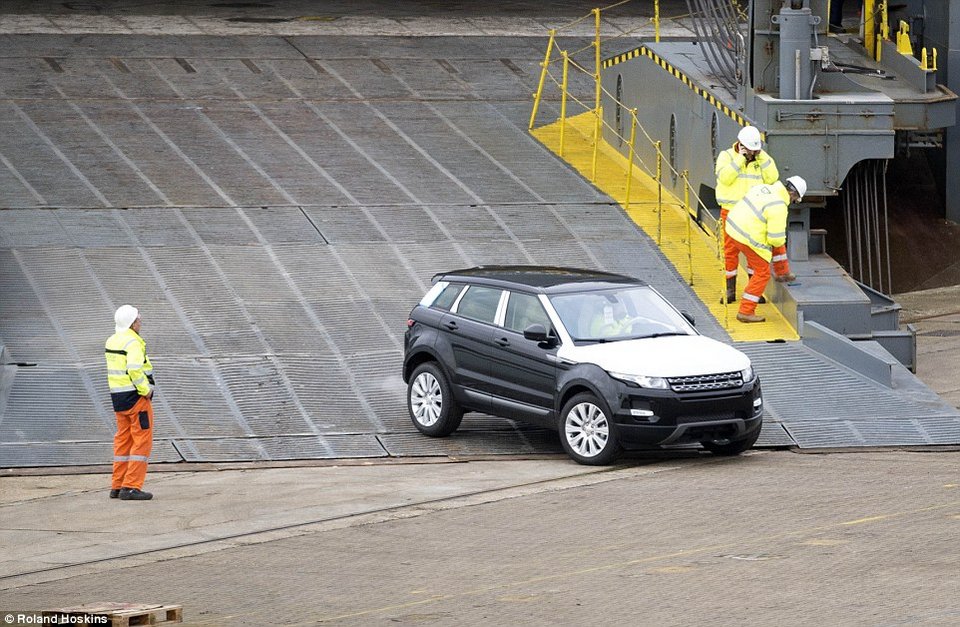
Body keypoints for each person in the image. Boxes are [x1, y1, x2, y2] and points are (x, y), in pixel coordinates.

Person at [725, 176, 806, 323]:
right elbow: (776, 240)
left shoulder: (766, 188)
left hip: (733, 227)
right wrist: (779, 239)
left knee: (775, 241)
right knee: (763, 272)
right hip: (746, 236)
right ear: (793, 194)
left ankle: (783, 272)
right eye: (795, 200)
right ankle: (746, 311)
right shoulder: (779, 206)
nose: (792, 203)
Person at [715, 125, 780, 303]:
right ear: (741, 145)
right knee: (730, 251)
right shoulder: (726, 156)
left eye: (755, 149)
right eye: (750, 149)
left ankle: (753, 290)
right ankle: (730, 291)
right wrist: (740, 160)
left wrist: (762, 156)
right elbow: (725, 178)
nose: (752, 153)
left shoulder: (761, 159)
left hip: (753, 214)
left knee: (755, 250)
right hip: (731, 212)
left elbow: (773, 178)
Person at [105, 305, 155, 500]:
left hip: (118, 399)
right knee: (142, 441)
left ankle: (117, 486)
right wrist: (147, 390)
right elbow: (135, 370)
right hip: (136, 399)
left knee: (123, 441)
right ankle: (131, 486)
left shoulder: (112, 340)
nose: (140, 322)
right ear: (132, 322)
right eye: (138, 319)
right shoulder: (133, 342)